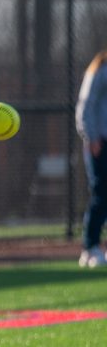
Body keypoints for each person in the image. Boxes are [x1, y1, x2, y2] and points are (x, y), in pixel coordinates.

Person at [75, 49, 107, 267]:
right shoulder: (100, 68)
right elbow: (85, 105)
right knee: (100, 193)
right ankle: (90, 247)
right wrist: (91, 136)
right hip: (100, 142)